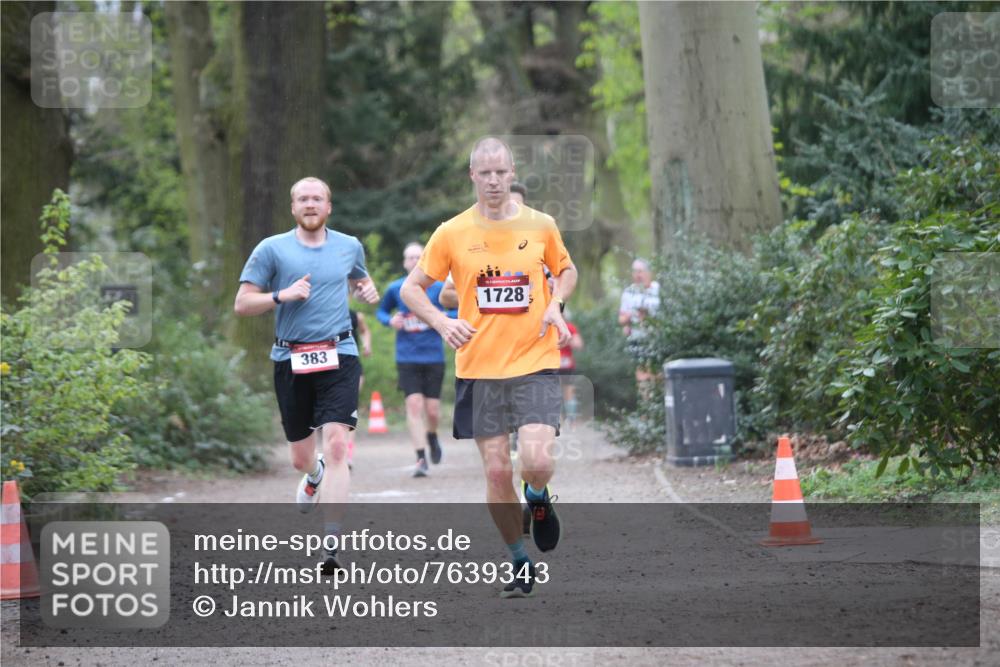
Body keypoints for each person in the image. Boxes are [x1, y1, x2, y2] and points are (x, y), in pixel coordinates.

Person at [401, 138, 577, 599]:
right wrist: (442, 322)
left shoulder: (540, 225)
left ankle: (537, 497)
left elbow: (566, 270)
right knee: (497, 472)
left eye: (501, 172)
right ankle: (519, 561)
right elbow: (412, 289)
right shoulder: (452, 232)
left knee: (536, 461)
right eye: (486, 173)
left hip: (534, 361)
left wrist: (556, 304)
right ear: (473, 176)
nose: (494, 180)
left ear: (512, 172)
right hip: (479, 369)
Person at [234, 176, 379, 574]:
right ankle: (313, 474)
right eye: (303, 199)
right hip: (290, 357)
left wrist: (366, 291)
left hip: (340, 352)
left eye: (317, 198)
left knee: (337, 446)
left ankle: (331, 545)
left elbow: (361, 280)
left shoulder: (349, 245)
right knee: (301, 457)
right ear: (293, 207)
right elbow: (242, 304)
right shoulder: (271, 249)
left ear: (328, 206)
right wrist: (281, 295)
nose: (310, 204)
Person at [376, 242, 453, 478]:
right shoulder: (396, 288)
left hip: (433, 356)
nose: (413, 261)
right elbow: (381, 312)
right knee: (414, 405)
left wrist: (442, 316)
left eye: (418, 257)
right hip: (407, 357)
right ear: (404, 262)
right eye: (409, 257)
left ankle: (432, 435)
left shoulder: (439, 288)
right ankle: (420, 458)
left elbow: (459, 310)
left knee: (432, 410)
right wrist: (390, 321)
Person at [437, 181, 526, 310]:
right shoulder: (471, 246)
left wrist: (554, 297)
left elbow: (556, 284)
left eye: (517, 206)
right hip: (483, 323)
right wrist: (487, 298)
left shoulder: (539, 242)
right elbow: (445, 296)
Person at [618, 258, 660, 390]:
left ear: (649, 273)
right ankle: (645, 399)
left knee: (657, 373)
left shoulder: (658, 289)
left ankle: (657, 397)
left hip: (657, 338)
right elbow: (621, 319)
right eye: (635, 272)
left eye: (640, 271)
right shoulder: (628, 293)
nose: (638, 275)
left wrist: (650, 315)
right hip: (638, 339)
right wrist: (631, 316)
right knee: (642, 373)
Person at [346, 309, 372, 468]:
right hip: (323, 369)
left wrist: (366, 344)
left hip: (351, 367)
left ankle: (348, 455)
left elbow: (364, 331)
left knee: (349, 411)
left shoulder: (356, 315)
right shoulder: (316, 313)